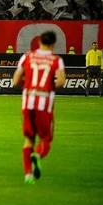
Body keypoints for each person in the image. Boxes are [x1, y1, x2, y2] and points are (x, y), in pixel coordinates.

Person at [12, 31, 66, 185]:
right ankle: (37, 155)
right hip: (44, 103)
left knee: (28, 139)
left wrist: (29, 85)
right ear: (53, 44)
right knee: (46, 139)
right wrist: (46, 87)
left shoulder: (27, 56)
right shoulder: (56, 60)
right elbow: (61, 81)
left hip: (27, 100)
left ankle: (28, 175)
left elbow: (15, 81)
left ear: (39, 42)